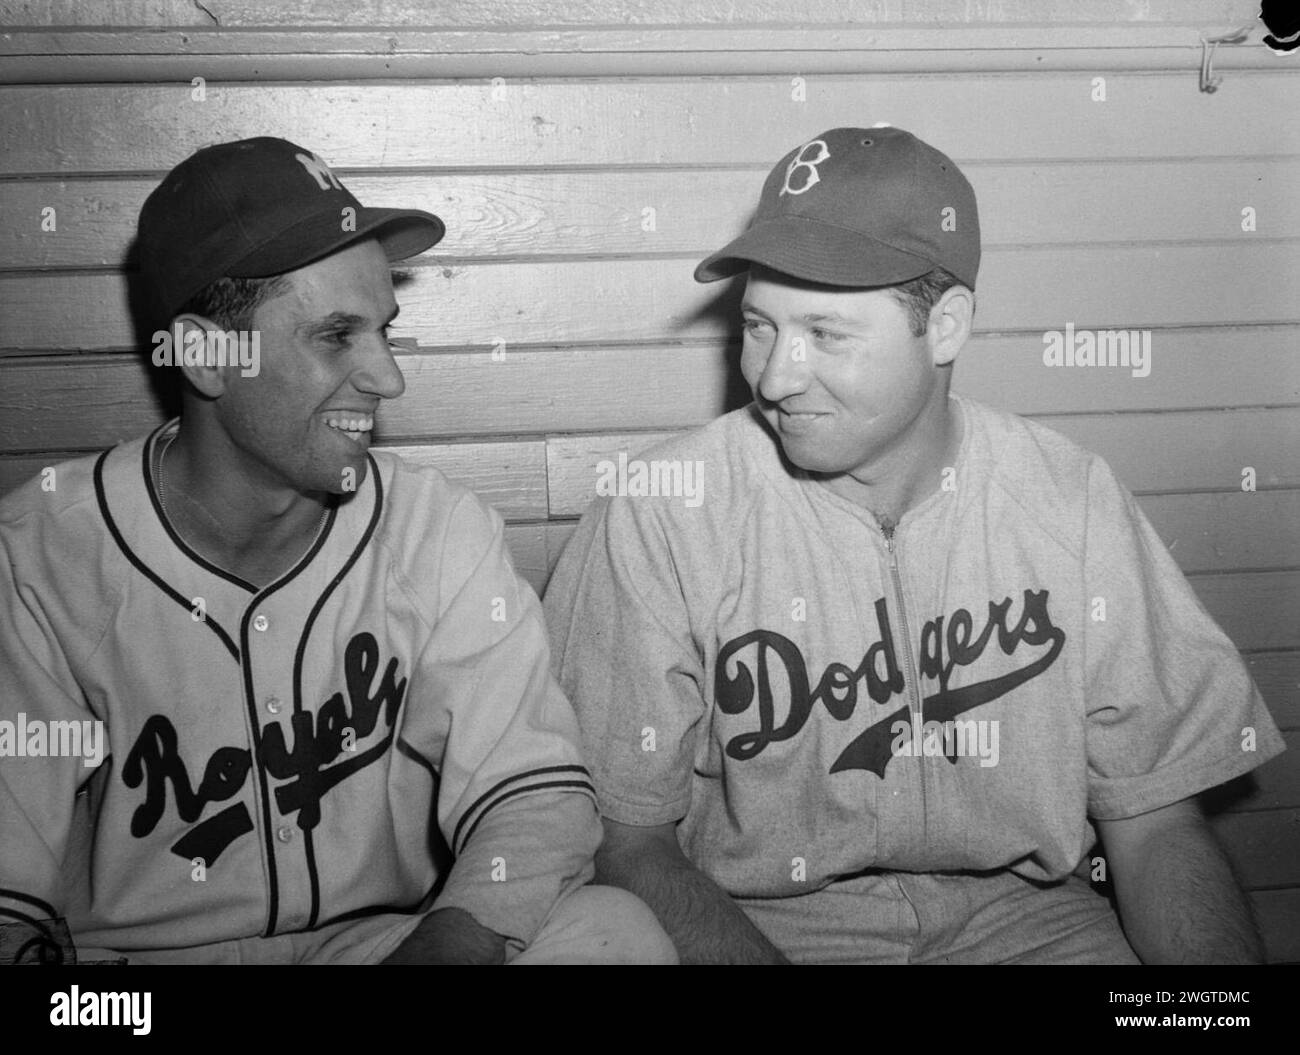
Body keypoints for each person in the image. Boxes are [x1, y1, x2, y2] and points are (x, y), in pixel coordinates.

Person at [542, 125, 1286, 965]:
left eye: (826, 334)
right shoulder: (663, 511)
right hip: (765, 925)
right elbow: (624, 840)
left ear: (946, 326)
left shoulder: (1066, 497)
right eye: (759, 326)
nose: (776, 376)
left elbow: (1155, 822)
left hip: (1029, 922)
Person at [0, 137, 675, 965]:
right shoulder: (42, 555)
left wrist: (453, 942)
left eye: (384, 331)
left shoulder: (436, 528)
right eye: (336, 336)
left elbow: (534, 792)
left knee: (613, 932)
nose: (388, 378)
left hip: (380, 947)